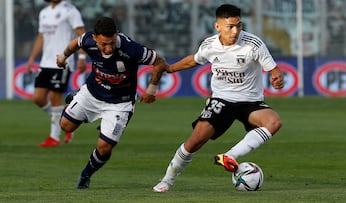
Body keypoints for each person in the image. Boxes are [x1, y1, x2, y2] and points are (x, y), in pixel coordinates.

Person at [152, 4, 284, 192]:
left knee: (273, 122)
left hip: (250, 101)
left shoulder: (253, 44)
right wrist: (170, 68)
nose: (236, 31)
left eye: (239, 25)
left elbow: (274, 70)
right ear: (218, 27)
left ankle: (229, 156)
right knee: (195, 141)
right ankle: (166, 180)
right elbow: (193, 60)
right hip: (221, 100)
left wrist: (277, 78)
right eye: (230, 26)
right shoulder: (209, 45)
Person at [56, 16, 168, 189]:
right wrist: (62, 57)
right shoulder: (87, 39)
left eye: (112, 43)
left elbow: (159, 62)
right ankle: (76, 98)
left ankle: (86, 175)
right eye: (103, 44)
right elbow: (75, 44)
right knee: (65, 126)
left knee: (104, 148)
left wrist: (152, 89)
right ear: (95, 38)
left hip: (119, 104)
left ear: (116, 35)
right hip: (92, 94)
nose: (108, 48)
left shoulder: (131, 49)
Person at [26, 0, 86, 147]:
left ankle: (54, 138)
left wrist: (82, 57)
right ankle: (65, 118)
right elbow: (41, 37)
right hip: (45, 62)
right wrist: (32, 58)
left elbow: (82, 35)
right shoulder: (44, 13)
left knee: (54, 97)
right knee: (38, 98)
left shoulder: (70, 10)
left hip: (62, 61)